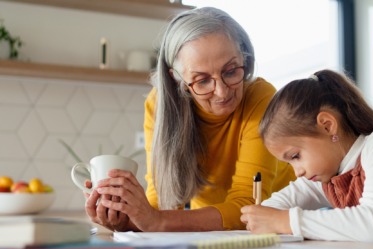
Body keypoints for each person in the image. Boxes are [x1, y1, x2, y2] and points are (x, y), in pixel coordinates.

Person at [84, 7, 295, 232]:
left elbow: (248, 203)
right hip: (210, 233)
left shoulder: (260, 98)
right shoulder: (160, 105)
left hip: (280, 227)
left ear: (245, 56)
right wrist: (126, 219)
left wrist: (156, 220)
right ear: (177, 78)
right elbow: (161, 203)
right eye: (202, 80)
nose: (222, 92)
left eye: (231, 71)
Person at [240, 69, 373, 249]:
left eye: (296, 156)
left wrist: (284, 221)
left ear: (327, 125)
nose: (298, 171)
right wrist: (260, 217)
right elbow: (273, 208)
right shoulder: (327, 177)